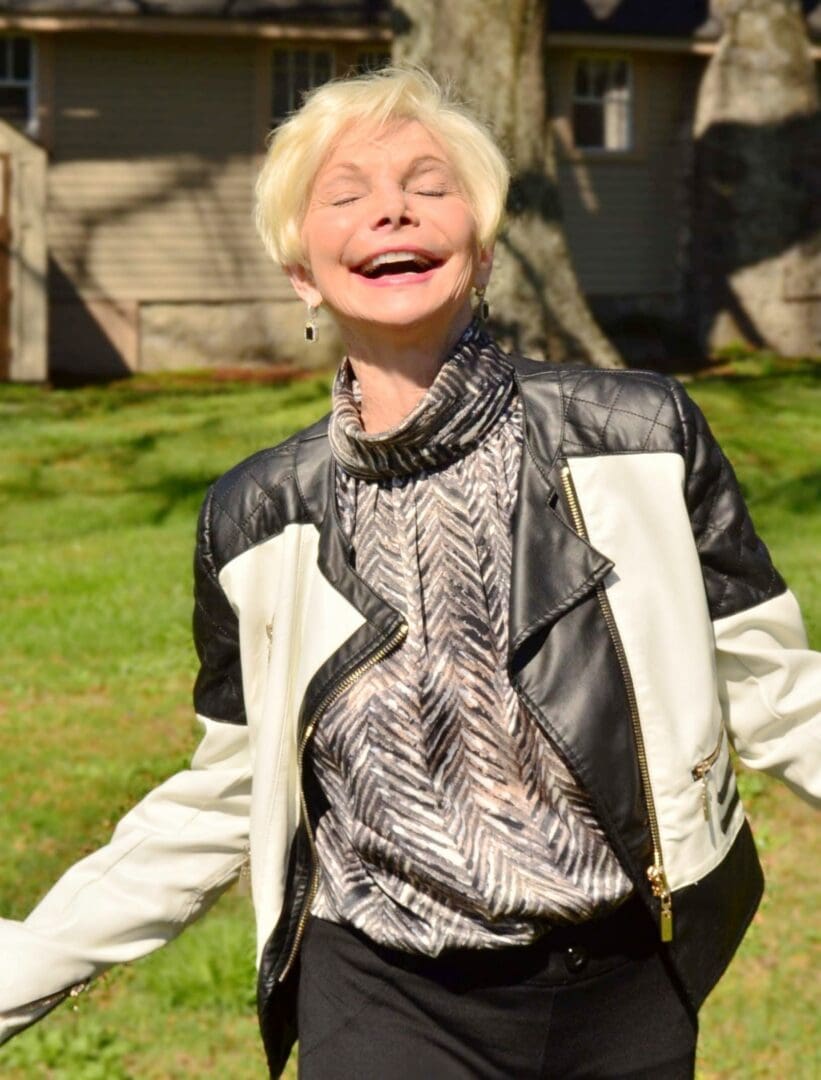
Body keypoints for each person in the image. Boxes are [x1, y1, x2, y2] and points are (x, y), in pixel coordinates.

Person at [1, 66, 819, 1079]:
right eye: (344, 195)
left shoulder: (639, 439)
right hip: (383, 996)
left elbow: (781, 697)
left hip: (620, 990)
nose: (390, 206)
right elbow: (224, 793)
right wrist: (19, 973)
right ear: (303, 270)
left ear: (479, 248)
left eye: (427, 186)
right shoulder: (255, 520)